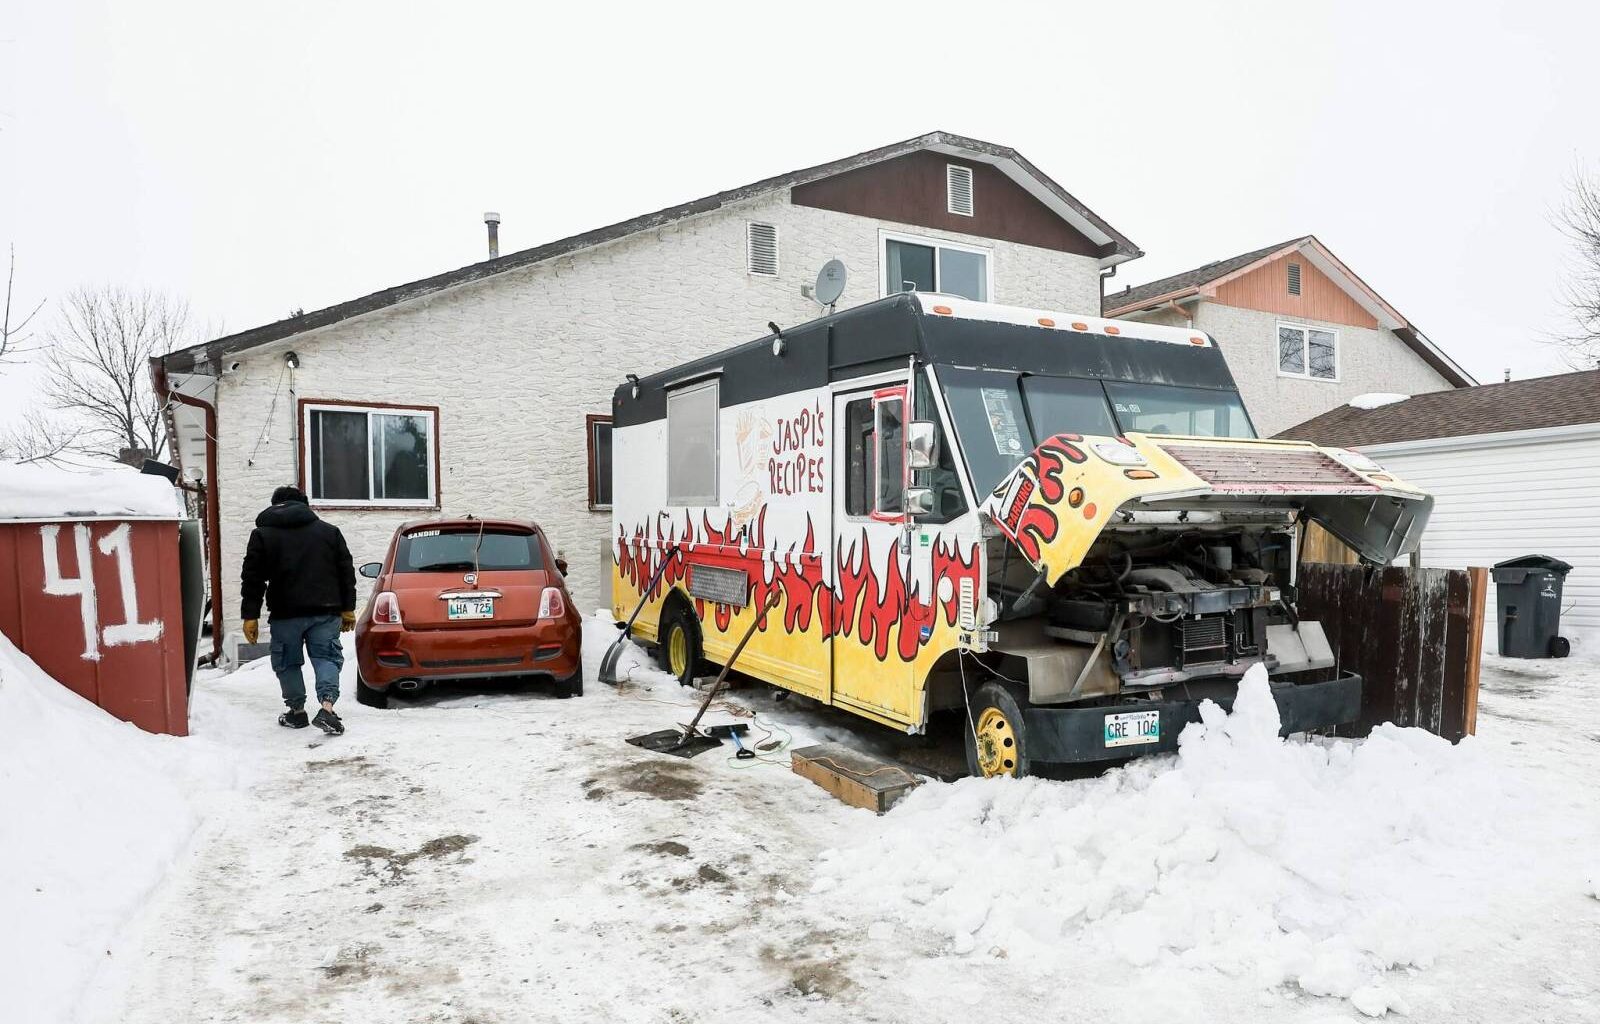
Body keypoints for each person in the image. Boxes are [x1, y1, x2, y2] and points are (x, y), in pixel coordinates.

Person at [240, 485, 356, 735]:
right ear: (304, 504)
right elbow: (345, 572)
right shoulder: (329, 532)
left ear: (274, 505)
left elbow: (253, 578)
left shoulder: (262, 535)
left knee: (287, 662)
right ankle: (327, 707)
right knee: (326, 657)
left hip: (285, 613)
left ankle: (297, 712)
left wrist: (250, 615)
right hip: (325, 611)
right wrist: (348, 608)